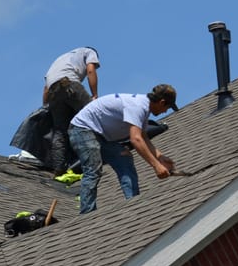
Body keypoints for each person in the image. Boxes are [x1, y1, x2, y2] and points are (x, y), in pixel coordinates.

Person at [68, 84, 179, 214]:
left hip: (99, 135)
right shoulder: (138, 107)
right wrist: (156, 166)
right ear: (162, 102)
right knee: (93, 169)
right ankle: (87, 214)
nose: (165, 112)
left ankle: (133, 204)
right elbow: (136, 140)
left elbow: (144, 138)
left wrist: (160, 158)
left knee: (124, 158)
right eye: (166, 108)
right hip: (82, 129)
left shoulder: (144, 109)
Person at [43, 47, 101, 176]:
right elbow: (91, 70)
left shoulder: (61, 59)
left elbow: (46, 89)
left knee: (59, 131)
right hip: (69, 84)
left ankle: (58, 167)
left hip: (53, 91)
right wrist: (95, 95)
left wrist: (46, 107)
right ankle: (106, 150)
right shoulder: (89, 52)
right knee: (93, 115)